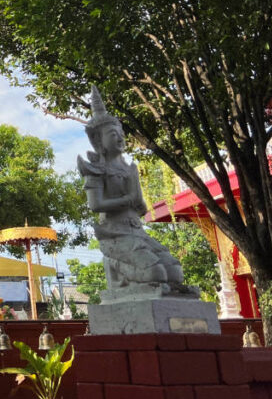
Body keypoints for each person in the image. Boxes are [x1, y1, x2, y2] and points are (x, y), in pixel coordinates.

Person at [77, 86, 195, 296]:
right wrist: (126, 199)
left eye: (121, 134)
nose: (120, 138)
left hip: (137, 231)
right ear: (98, 141)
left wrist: (136, 198)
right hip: (115, 233)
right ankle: (117, 269)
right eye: (113, 134)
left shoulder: (128, 168)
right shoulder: (95, 169)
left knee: (175, 271)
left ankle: (160, 287)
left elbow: (140, 208)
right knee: (156, 272)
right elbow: (95, 205)